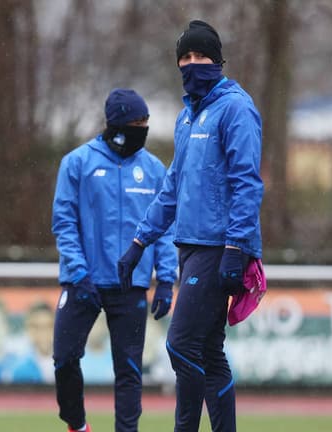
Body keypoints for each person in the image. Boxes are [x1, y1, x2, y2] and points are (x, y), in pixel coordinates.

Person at [118, 20, 263, 432]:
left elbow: (246, 182)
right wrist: (139, 241)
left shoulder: (236, 108)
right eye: (185, 57)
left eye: (201, 56)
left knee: (181, 345)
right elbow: (171, 188)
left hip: (219, 247)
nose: (192, 64)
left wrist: (237, 246)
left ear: (218, 61)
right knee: (209, 354)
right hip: (189, 246)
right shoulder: (186, 118)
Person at [52, 88, 178, 432]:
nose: (144, 128)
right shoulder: (77, 164)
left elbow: (166, 228)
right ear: (118, 123)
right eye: (138, 122)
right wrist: (78, 274)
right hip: (83, 282)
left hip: (131, 286)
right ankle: (76, 425)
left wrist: (167, 279)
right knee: (64, 359)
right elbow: (64, 223)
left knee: (128, 371)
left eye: (146, 122)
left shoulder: (154, 171)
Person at [23, 301, 55, 383]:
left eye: (48, 326)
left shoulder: (71, 366)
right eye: (37, 327)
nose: (43, 333)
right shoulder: (19, 369)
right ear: (29, 330)